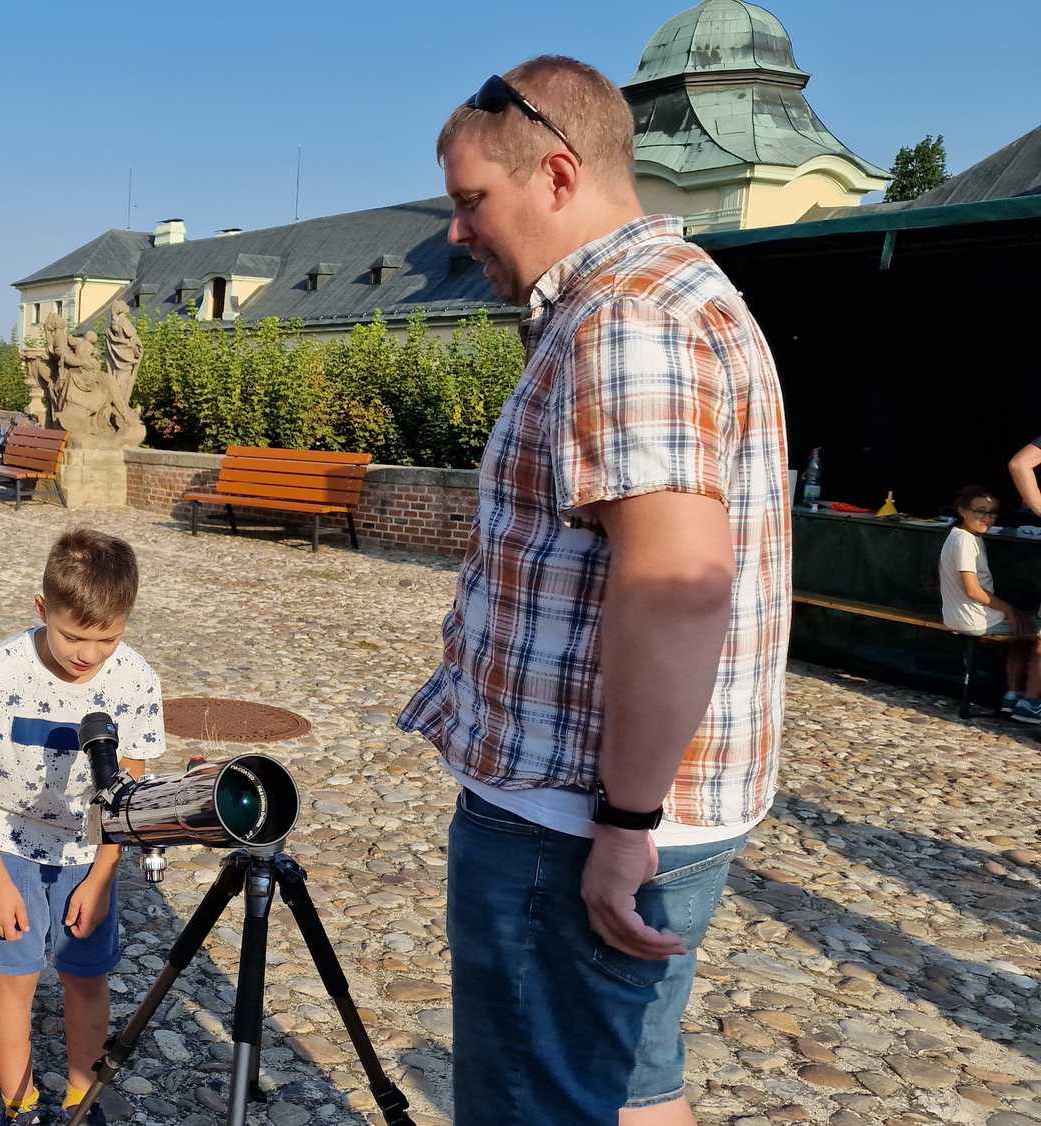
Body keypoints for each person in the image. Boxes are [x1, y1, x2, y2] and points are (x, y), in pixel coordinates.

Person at [398, 58, 789, 1125]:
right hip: (633, 802)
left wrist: (623, 822)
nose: (456, 233)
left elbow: (675, 581)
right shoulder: (678, 288)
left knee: (540, 1100)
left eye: (472, 199)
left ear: (559, 174)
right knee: (631, 1083)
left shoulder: (625, 317)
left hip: (574, 816)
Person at [0, 529, 164, 1126]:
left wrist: (101, 877)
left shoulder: (136, 680)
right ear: (43, 609)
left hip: (88, 850)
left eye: (107, 639)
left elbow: (128, 796)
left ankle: (80, 1098)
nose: (89, 654)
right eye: (73, 636)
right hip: (7, 842)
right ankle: (20, 1105)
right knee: (14, 978)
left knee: (85, 978)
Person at [938, 485, 1041, 720]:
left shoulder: (961, 536)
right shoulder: (964, 542)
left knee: (1022, 630)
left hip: (959, 613)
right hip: (971, 617)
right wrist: (1009, 610)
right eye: (980, 511)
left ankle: (1012, 696)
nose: (987, 518)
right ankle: (1031, 703)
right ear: (963, 511)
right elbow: (973, 590)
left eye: (992, 512)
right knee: (1037, 631)